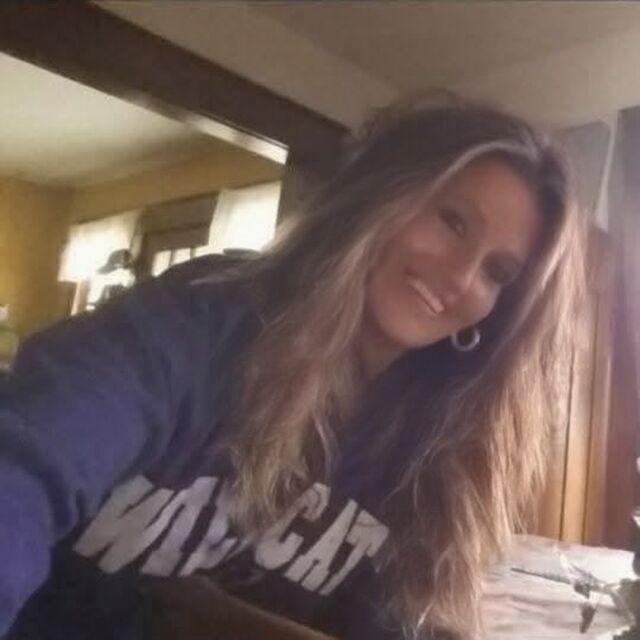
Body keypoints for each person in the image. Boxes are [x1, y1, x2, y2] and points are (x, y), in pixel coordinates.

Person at [0, 100, 585, 640]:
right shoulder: (197, 324)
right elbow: (24, 464)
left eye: (497, 273)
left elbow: (388, 621)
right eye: (453, 221)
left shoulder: (430, 445)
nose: (460, 278)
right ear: (377, 196)